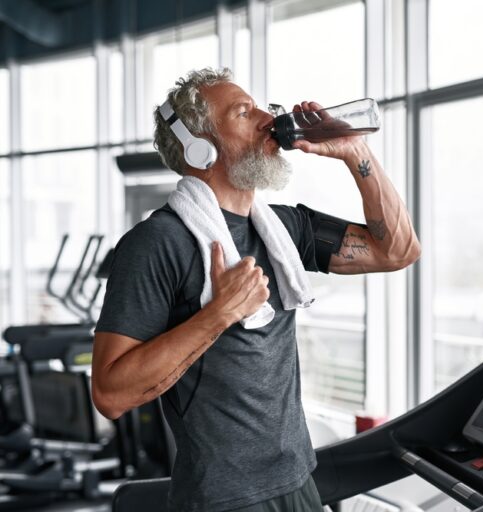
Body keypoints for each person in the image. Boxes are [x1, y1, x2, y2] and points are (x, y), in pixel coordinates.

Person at [91, 67, 420, 512]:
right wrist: (218, 314)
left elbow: (397, 250)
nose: (269, 118)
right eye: (244, 112)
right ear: (199, 147)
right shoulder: (157, 243)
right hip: (223, 500)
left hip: (299, 481)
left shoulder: (282, 228)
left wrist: (355, 152)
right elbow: (110, 395)